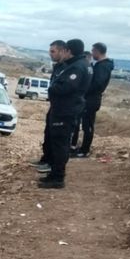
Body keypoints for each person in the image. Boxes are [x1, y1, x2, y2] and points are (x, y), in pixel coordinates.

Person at [38, 38, 90, 189]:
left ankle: (58, 178)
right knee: (58, 143)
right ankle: (54, 174)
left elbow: (65, 88)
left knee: (60, 144)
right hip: (65, 109)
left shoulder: (77, 67)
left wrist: (52, 88)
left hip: (65, 110)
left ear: (68, 51)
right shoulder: (79, 65)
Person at [30, 40, 67, 173]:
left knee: (57, 140)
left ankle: (53, 167)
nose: (50, 54)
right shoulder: (58, 67)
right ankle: (46, 159)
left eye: (53, 51)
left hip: (62, 109)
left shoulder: (67, 68)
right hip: (54, 106)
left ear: (62, 51)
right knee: (48, 135)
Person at [73, 42, 114, 158]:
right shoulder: (101, 65)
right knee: (86, 124)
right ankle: (82, 148)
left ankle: (84, 150)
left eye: (93, 51)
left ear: (98, 51)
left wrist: (85, 90)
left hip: (92, 100)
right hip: (90, 98)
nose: (92, 53)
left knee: (88, 126)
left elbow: (97, 83)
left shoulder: (103, 66)